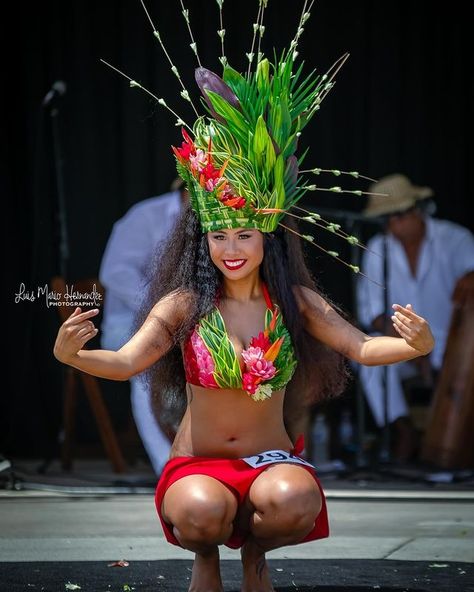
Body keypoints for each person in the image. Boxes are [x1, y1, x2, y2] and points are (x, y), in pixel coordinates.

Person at [53, 10, 435, 591]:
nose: (232, 248)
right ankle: (207, 558)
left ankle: (254, 551)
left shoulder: (294, 301)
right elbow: (128, 361)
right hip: (198, 466)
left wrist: (414, 346)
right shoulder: (184, 303)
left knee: (295, 499)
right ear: (203, 239)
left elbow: (360, 345)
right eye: (219, 235)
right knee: (201, 515)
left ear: (267, 237)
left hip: (268, 464)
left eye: (245, 235)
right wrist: (71, 355)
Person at [357, 173, 474, 462]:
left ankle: (455, 448)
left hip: (453, 346)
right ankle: (401, 428)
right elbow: (371, 313)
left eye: (399, 215)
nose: (394, 224)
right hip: (403, 345)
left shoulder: (455, 238)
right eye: (388, 218)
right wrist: (412, 343)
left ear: (416, 210)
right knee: (365, 350)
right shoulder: (376, 248)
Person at [99, 179, 187, 475]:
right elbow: (115, 272)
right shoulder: (146, 215)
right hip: (129, 323)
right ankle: (168, 465)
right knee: (148, 361)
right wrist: (163, 309)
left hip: (185, 323)